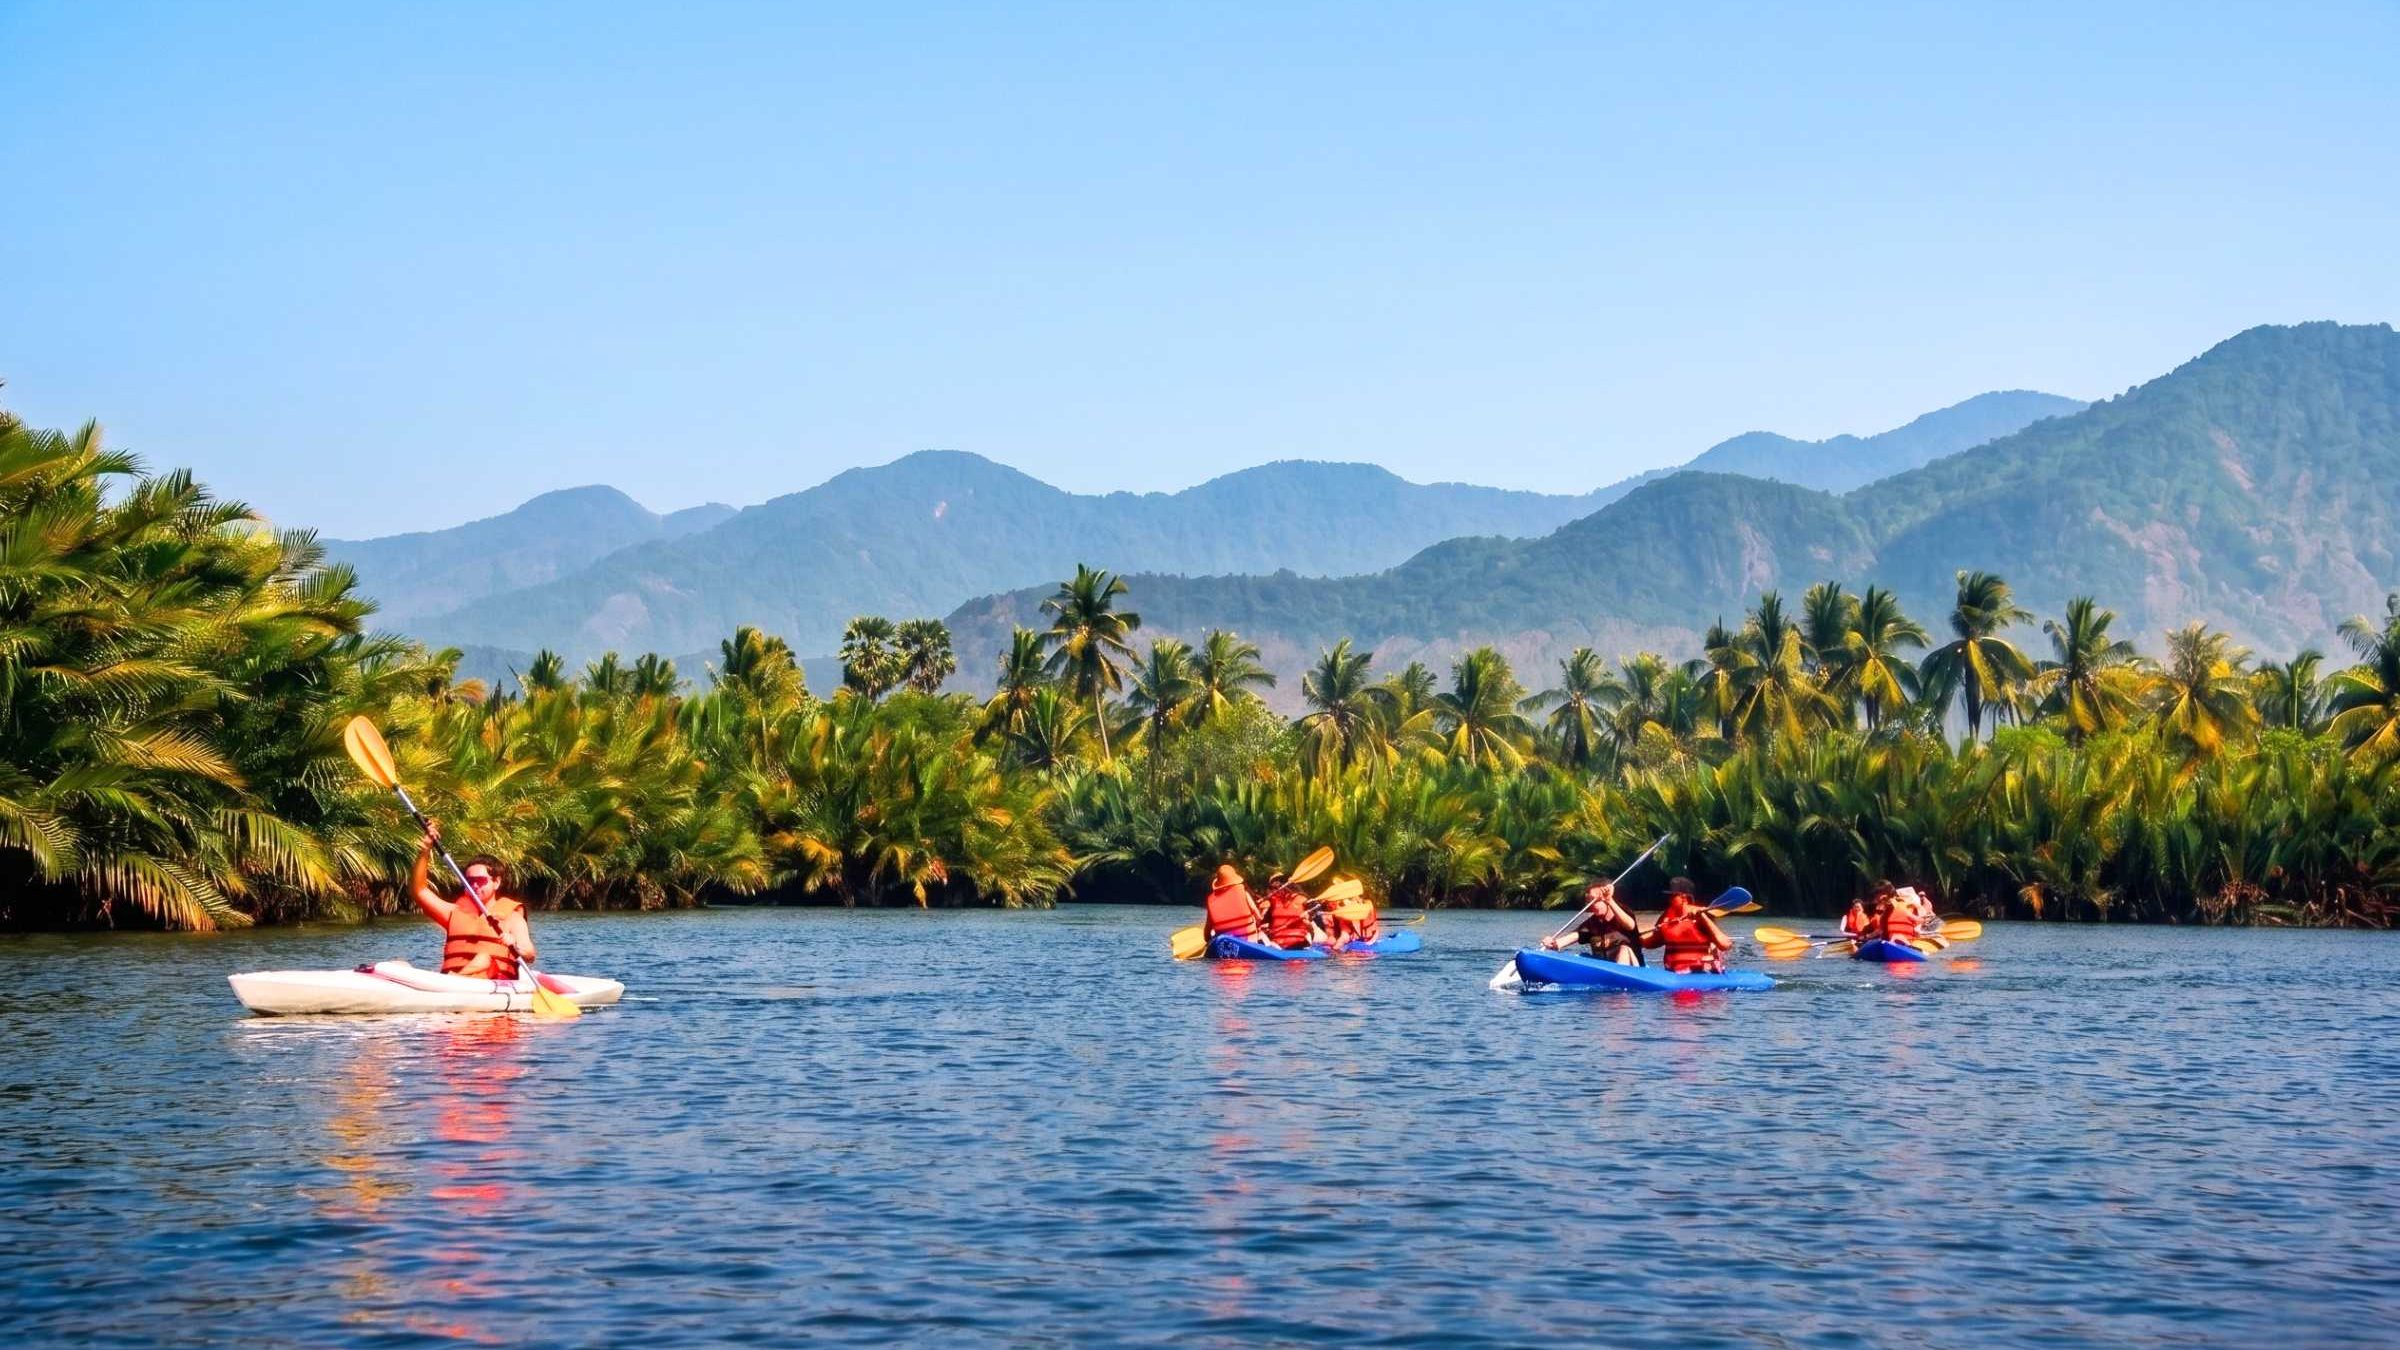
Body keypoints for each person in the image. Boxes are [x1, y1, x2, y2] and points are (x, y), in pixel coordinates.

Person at [410, 822, 536, 980]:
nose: (475, 885)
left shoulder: (513, 918)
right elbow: (419, 891)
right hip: (453, 982)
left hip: (493, 981)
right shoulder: (453, 913)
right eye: (470, 881)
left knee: (484, 958)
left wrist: (515, 944)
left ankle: (457, 979)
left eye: (481, 880)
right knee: (398, 964)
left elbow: (530, 955)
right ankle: (457, 979)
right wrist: (425, 850)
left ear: (496, 882)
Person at [1641, 877, 1733, 974]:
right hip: (1673, 973)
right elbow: (1652, 942)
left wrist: (1703, 917)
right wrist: (1634, 935)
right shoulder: (1666, 916)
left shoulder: (1701, 916)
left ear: (1683, 897)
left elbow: (1725, 945)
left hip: (1701, 973)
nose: (1668, 900)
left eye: (1672, 896)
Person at [1543, 880, 1642, 966]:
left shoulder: (1624, 913)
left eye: (1595, 900)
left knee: (1624, 950)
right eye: (1589, 901)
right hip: (1605, 968)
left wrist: (1610, 900)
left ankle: (1617, 977)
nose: (1591, 905)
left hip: (1633, 969)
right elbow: (1574, 936)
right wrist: (1553, 944)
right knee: (1582, 956)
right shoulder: (1591, 923)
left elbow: (1630, 926)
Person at [1202, 864, 1265, 942]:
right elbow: (1257, 914)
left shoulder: (1211, 899)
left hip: (1226, 942)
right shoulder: (1242, 891)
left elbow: (1208, 929)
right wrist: (1260, 922)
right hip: (1249, 939)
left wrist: (1208, 939)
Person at [1261, 871, 1318, 949]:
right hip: (1277, 944)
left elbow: (1316, 909)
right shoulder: (1272, 902)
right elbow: (1263, 922)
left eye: (1278, 884)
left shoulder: (1303, 899)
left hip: (1299, 941)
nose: (1275, 889)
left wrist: (1309, 916)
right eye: (1273, 887)